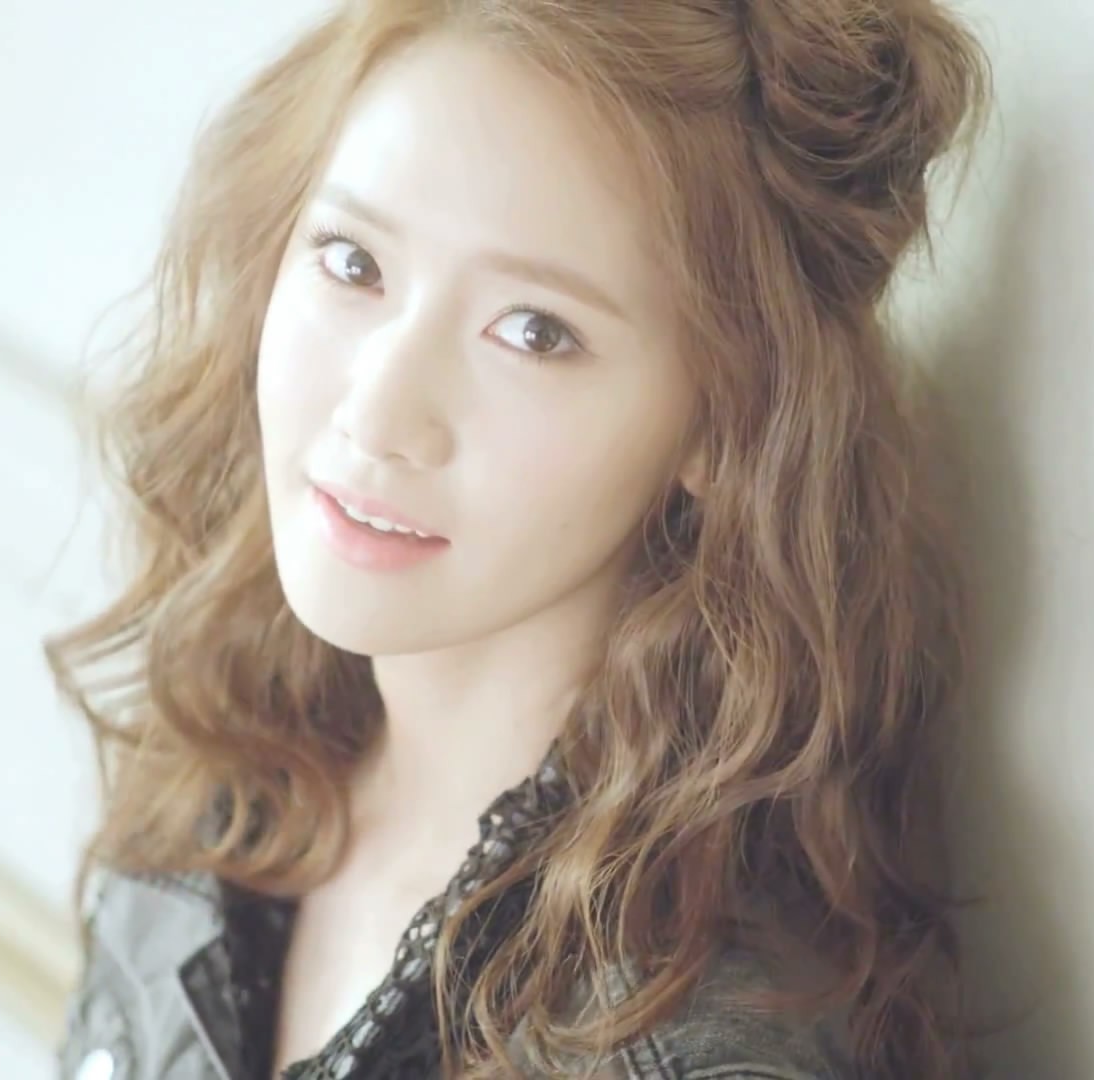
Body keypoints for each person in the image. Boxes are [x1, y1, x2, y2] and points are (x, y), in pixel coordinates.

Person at [48, 1, 988, 1077]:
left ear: (724, 420)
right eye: (352, 262)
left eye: (534, 331)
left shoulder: (697, 1048)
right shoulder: (231, 772)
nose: (377, 414)